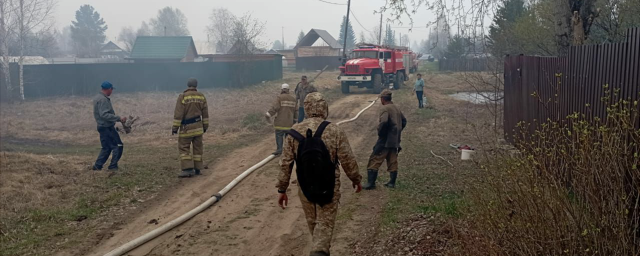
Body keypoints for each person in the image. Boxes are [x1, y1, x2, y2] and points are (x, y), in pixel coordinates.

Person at [277, 92, 362, 256]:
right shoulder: (334, 130)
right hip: (329, 186)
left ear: (306, 108)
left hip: (305, 187)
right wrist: (356, 179)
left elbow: (285, 163)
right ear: (324, 107)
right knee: (325, 225)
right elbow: (347, 159)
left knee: (314, 224)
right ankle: (320, 252)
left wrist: (282, 190)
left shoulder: (294, 132)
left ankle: (320, 250)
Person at [364, 89, 407, 189]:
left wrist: (381, 133)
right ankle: (392, 183)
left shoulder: (385, 108)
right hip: (395, 140)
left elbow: (383, 122)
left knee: (374, 159)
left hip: (385, 140)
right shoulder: (396, 108)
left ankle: (371, 183)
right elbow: (404, 121)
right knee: (392, 160)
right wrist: (396, 132)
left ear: (383, 99)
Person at [172, 78, 209, 178]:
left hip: (186, 128)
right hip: (198, 127)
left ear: (188, 85)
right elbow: (205, 114)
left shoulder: (182, 97)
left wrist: (175, 128)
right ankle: (198, 168)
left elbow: (178, 114)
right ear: (196, 85)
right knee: (198, 148)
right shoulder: (201, 97)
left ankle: (187, 169)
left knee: (184, 148)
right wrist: (205, 126)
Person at [92, 81, 126, 171]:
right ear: (109, 89)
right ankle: (113, 167)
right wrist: (119, 118)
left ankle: (97, 166)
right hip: (107, 128)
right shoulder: (103, 99)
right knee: (118, 145)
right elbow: (104, 115)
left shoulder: (97, 98)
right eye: (111, 89)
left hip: (102, 126)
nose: (112, 92)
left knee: (106, 148)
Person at [265, 83, 297, 155]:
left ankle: (279, 150)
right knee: (288, 138)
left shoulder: (279, 98)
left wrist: (268, 114)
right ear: (288, 90)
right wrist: (295, 121)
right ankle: (288, 151)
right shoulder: (293, 99)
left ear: (282, 90)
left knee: (279, 135)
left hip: (280, 124)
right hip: (289, 124)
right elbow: (296, 111)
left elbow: (275, 108)